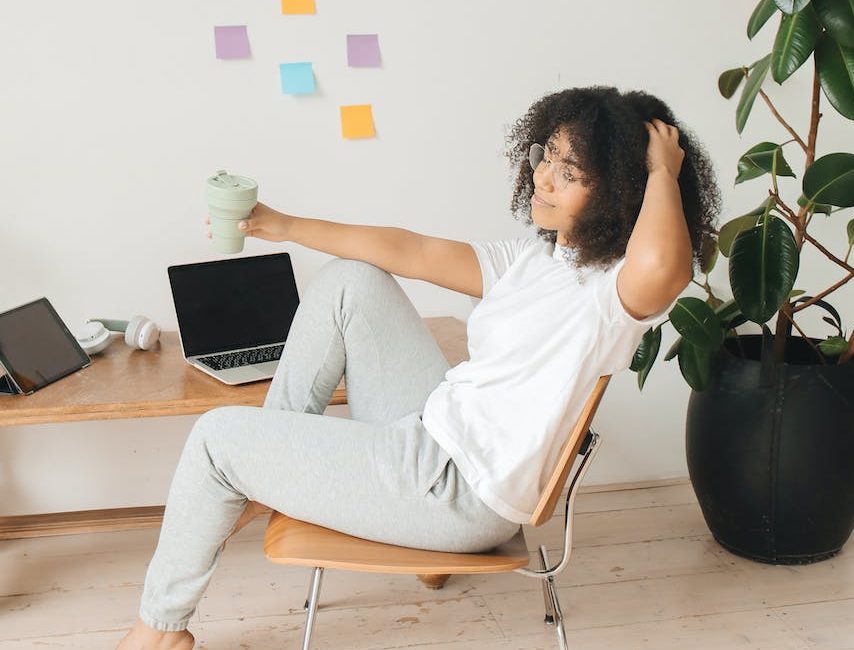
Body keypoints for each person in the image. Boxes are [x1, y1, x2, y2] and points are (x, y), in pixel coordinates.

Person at [117, 85, 720, 649]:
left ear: (620, 193)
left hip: (455, 490)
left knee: (215, 439)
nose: (542, 177)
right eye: (547, 156)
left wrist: (663, 169)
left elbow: (668, 262)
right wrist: (281, 225)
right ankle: (276, 465)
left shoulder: (614, 295)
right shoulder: (538, 258)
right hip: (431, 435)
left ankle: (160, 631)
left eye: (570, 172)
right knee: (352, 282)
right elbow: (411, 249)